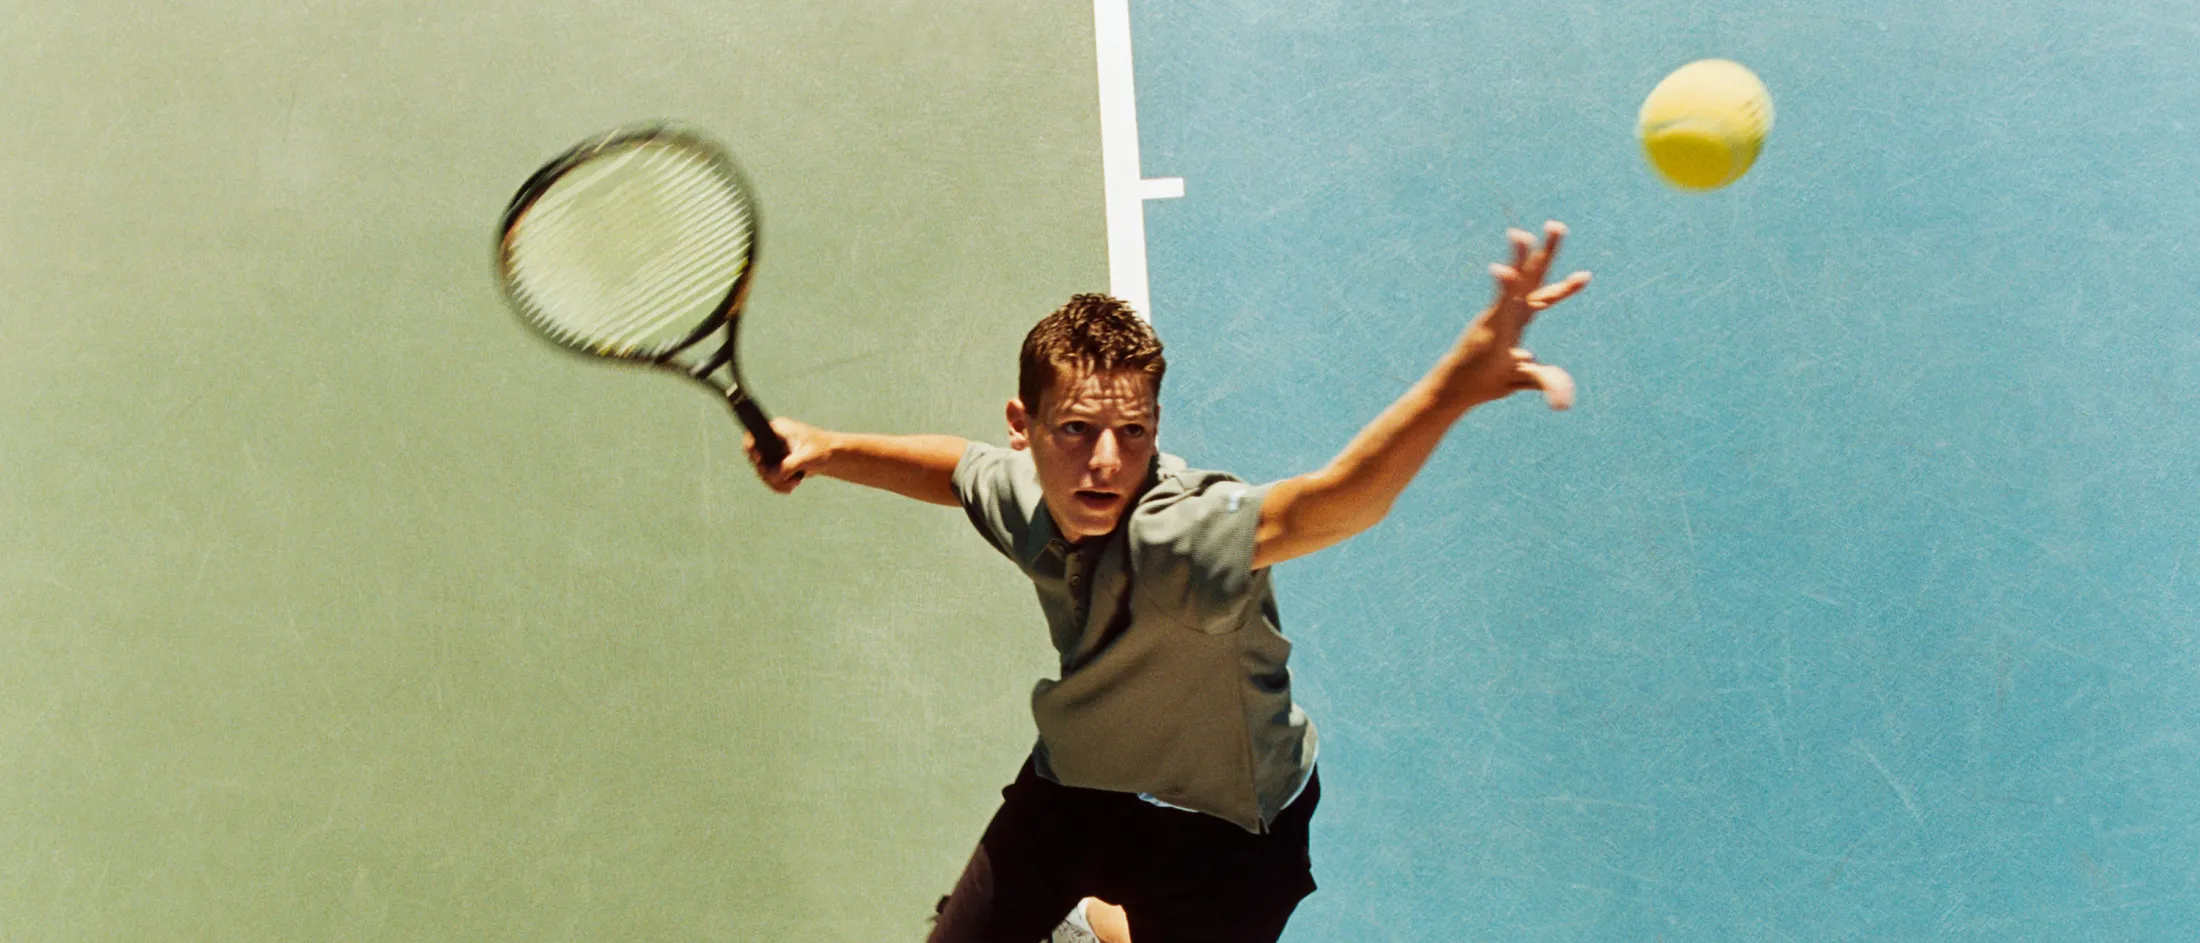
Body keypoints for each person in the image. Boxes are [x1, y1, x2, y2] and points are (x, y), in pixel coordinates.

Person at [745, 224, 1590, 943]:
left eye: (1132, 432)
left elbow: (1335, 504)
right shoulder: (1030, 490)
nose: (1105, 463)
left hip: (1227, 831)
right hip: (1080, 784)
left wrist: (1457, 385)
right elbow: (956, 469)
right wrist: (826, 442)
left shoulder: (1178, 537)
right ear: (1023, 428)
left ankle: (1102, 927)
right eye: (1075, 430)